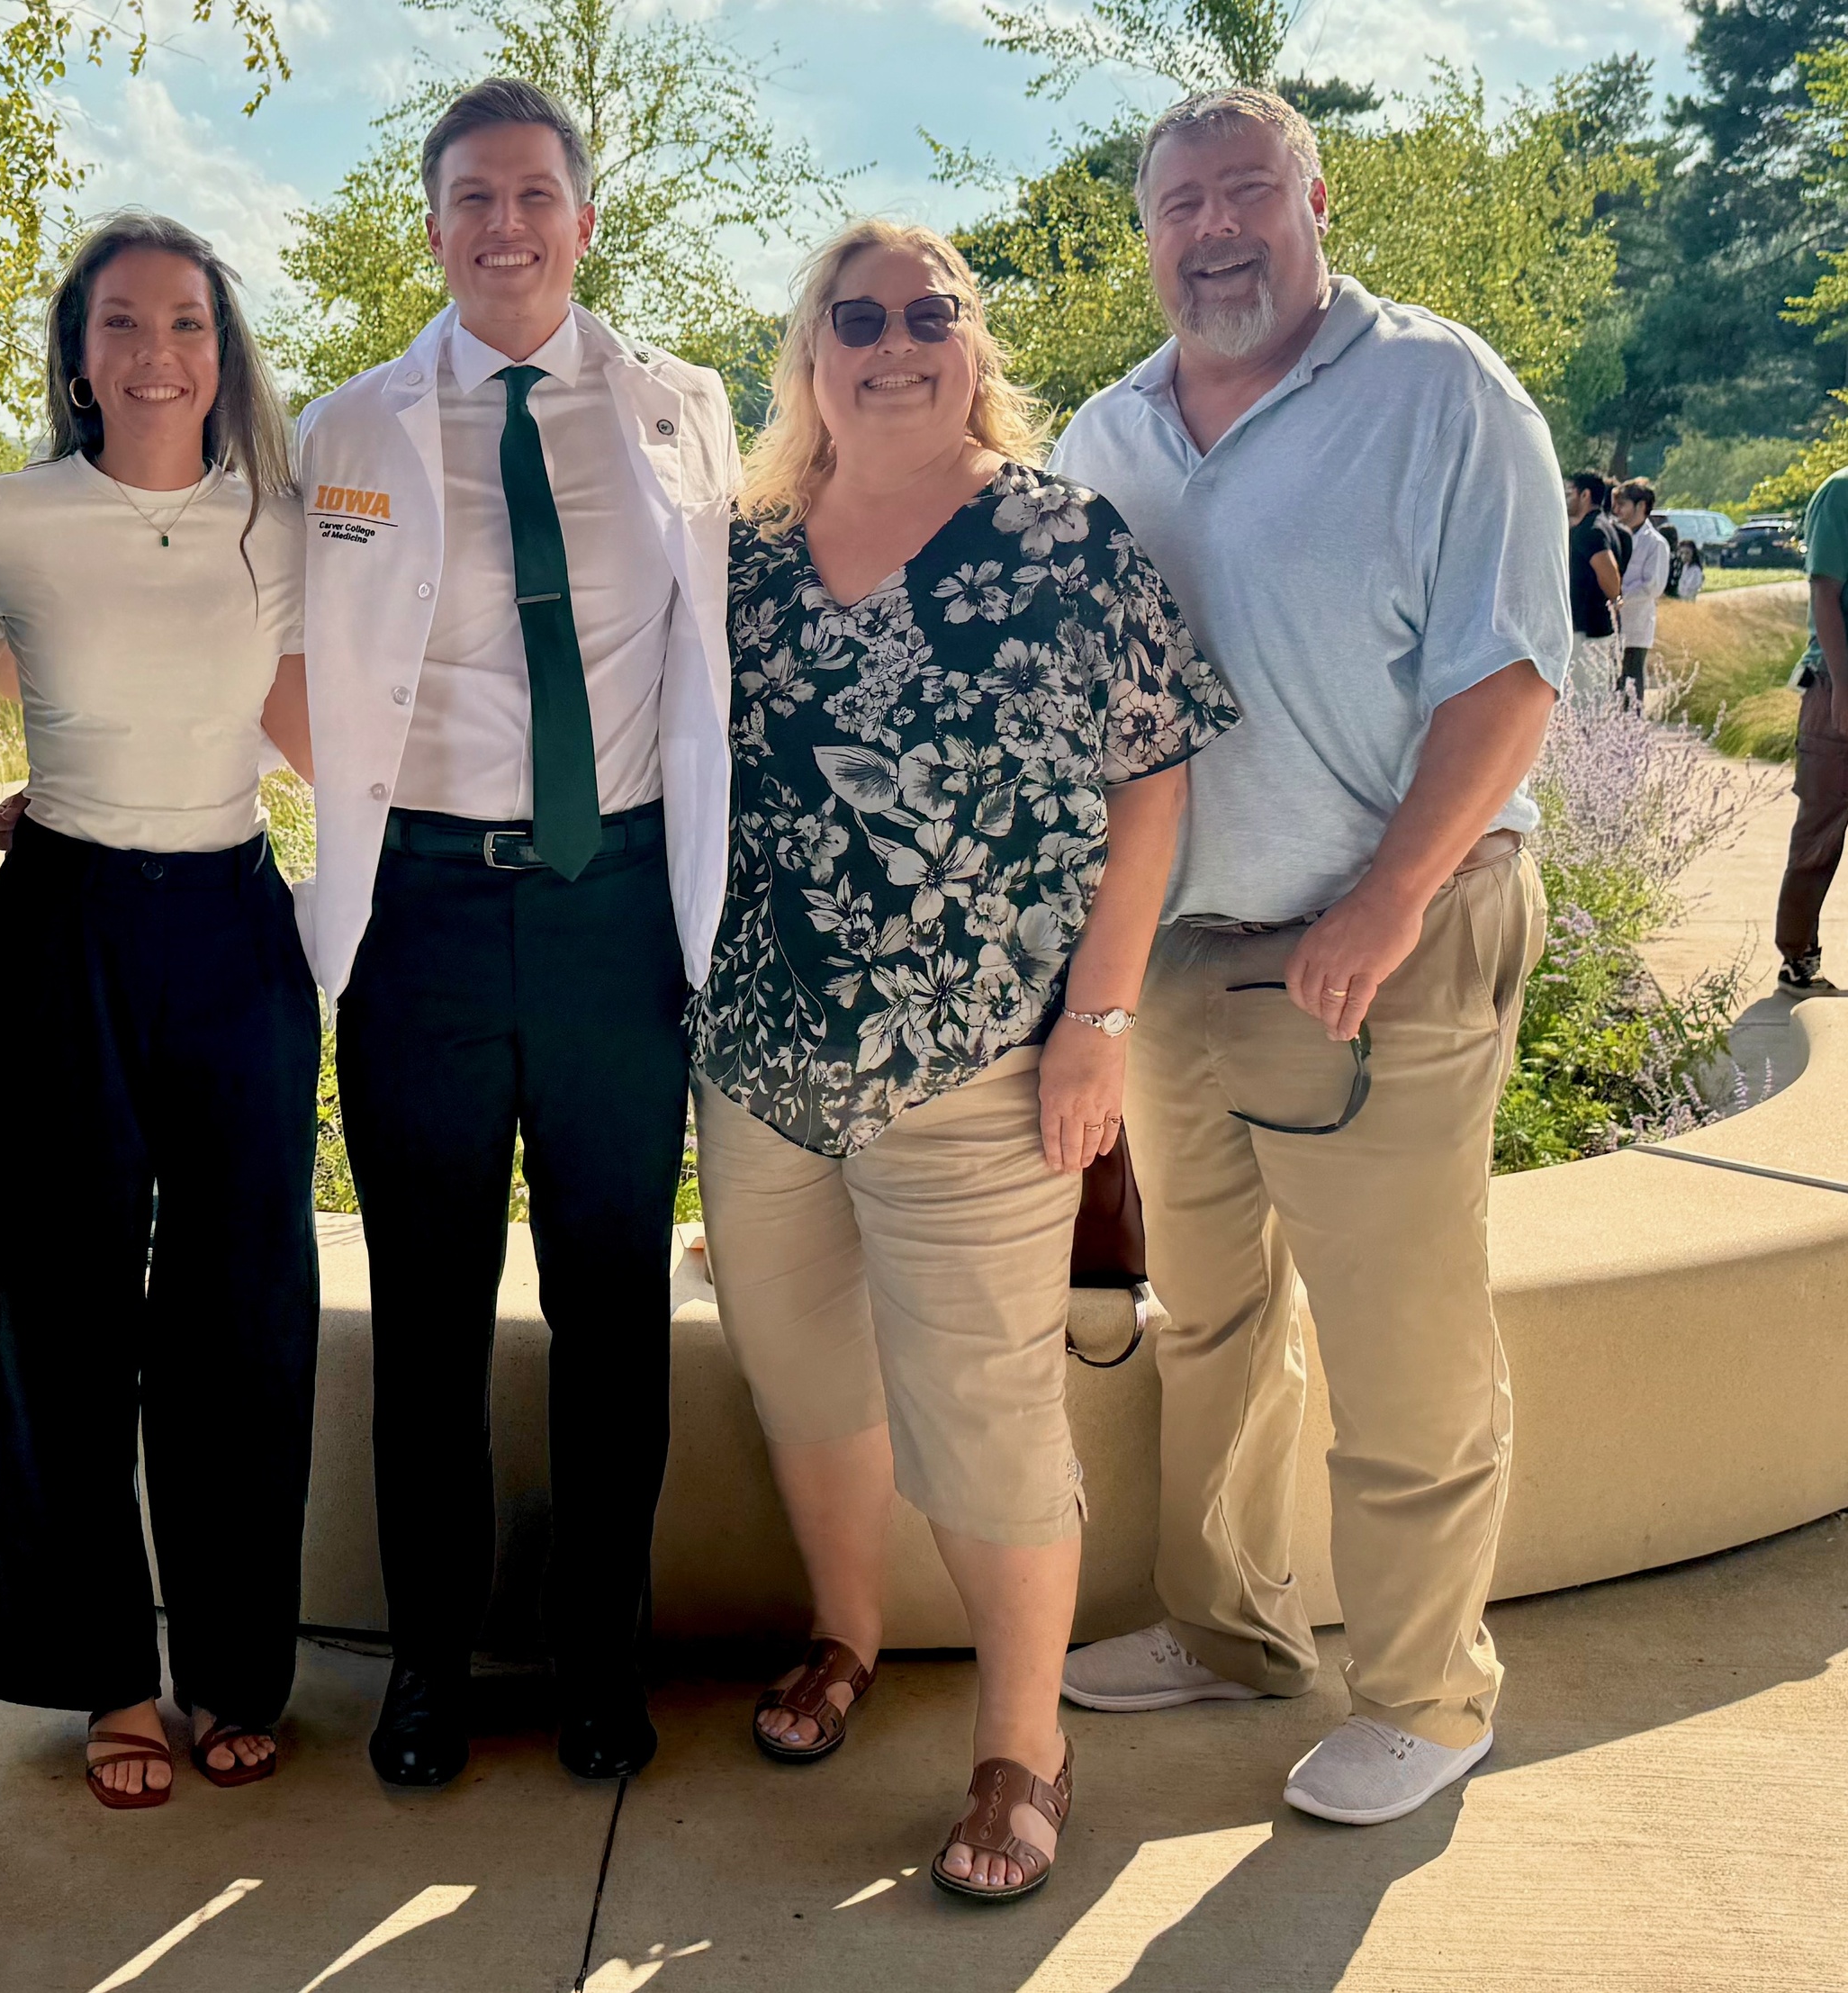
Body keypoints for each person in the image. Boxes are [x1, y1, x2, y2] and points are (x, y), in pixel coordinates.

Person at [692, 219, 1236, 1899]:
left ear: (970, 343)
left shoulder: (1062, 539)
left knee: (989, 1412)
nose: (895, 343)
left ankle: (1024, 1746)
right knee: (799, 1377)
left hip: (983, 1066)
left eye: (930, 314)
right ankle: (845, 1629)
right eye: (858, 318)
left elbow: (1150, 781)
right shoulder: (741, 552)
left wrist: (1098, 1022)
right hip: (761, 1060)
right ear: (810, 353)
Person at [1049, 86, 1569, 1827]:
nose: (1211, 228)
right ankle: (1232, 1626)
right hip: (1184, 957)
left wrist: (1385, 901)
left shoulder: (1439, 392)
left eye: (1244, 191)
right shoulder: (1105, 434)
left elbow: (1508, 680)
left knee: (1399, 1338)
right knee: (1213, 1321)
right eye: (1178, 202)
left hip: (1384, 941)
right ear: (1146, 236)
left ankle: (1430, 1691)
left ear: (1313, 199)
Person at [295, 77, 740, 1787]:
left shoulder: (680, 412)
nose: (504, 226)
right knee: (426, 1310)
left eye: (534, 195)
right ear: (431, 226)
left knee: (614, 1304)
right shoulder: (349, 430)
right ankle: (426, 1665)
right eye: (471, 199)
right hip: (418, 916)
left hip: (615, 911)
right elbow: (269, 642)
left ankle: (598, 1659)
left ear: (584, 217)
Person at [0, 212, 318, 1808]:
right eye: (122, 322)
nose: (156, 350)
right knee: (64, 1304)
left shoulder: (284, 521)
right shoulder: (7, 518)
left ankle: (237, 1667)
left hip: (237, 925)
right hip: (65, 928)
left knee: (241, 1312)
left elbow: (330, 732)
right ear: (78, 353)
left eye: (186, 321)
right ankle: (104, 1670)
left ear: (223, 348)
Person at [1778, 464, 1848, 996]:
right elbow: (1825, 592)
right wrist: (1844, 688)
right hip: (1835, 683)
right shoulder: (1839, 493)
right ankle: (1798, 958)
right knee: (1821, 829)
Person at [1611, 477, 1668, 711]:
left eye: (1623, 505)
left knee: (1631, 682)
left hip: (1636, 622)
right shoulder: (1612, 535)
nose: (1617, 511)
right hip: (1610, 623)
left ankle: (1631, 733)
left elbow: (1652, 586)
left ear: (1641, 507)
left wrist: (1619, 595)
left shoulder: (1655, 544)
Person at [1565, 469, 1625, 688]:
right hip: (1592, 630)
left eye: (1570, 493)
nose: (1566, 499)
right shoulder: (1602, 526)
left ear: (1585, 495)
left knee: (1584, 701)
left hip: (1588, 632)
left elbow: (1608, 572)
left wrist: (1615, 600)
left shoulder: (1591, 530)